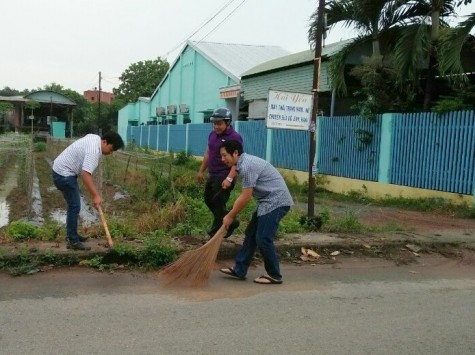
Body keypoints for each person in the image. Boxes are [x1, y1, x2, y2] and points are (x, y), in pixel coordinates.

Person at [218, 140, 293, 284]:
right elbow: (236, 174)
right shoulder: (241, 162)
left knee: (263, 238)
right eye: (221, 156)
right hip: (267, 201)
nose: (222, 159)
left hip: (276, 201)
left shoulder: (247, 166)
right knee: (251, 234)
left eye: (224, 155)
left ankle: (274, 275)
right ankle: (240, 269)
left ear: (235, 153)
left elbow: (245, 197)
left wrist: (230, 215)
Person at [52, 131, 124, 250]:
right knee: (74, 206)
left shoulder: (95, 138)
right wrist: (95, 196)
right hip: (63, 174)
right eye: (111, 149)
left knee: (73, 205)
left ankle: (72, 235)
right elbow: (85, 174)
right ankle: (72, 241)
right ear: (105, 142)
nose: (111, 152)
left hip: (60, 170)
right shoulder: (94, 151)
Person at [197, 107, 243, 239]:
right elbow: (208, 153)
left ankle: (214, 234)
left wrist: (229, 178)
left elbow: (237, 160)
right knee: (208, 200)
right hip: (213, 174)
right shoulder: (212, 135)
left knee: (218, 202)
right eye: (214, 123)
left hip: (225, 174)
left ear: (228, 123)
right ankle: (231, 221)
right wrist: (201, 171)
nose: (216, 126)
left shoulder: (235, 137)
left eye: (219, 124)